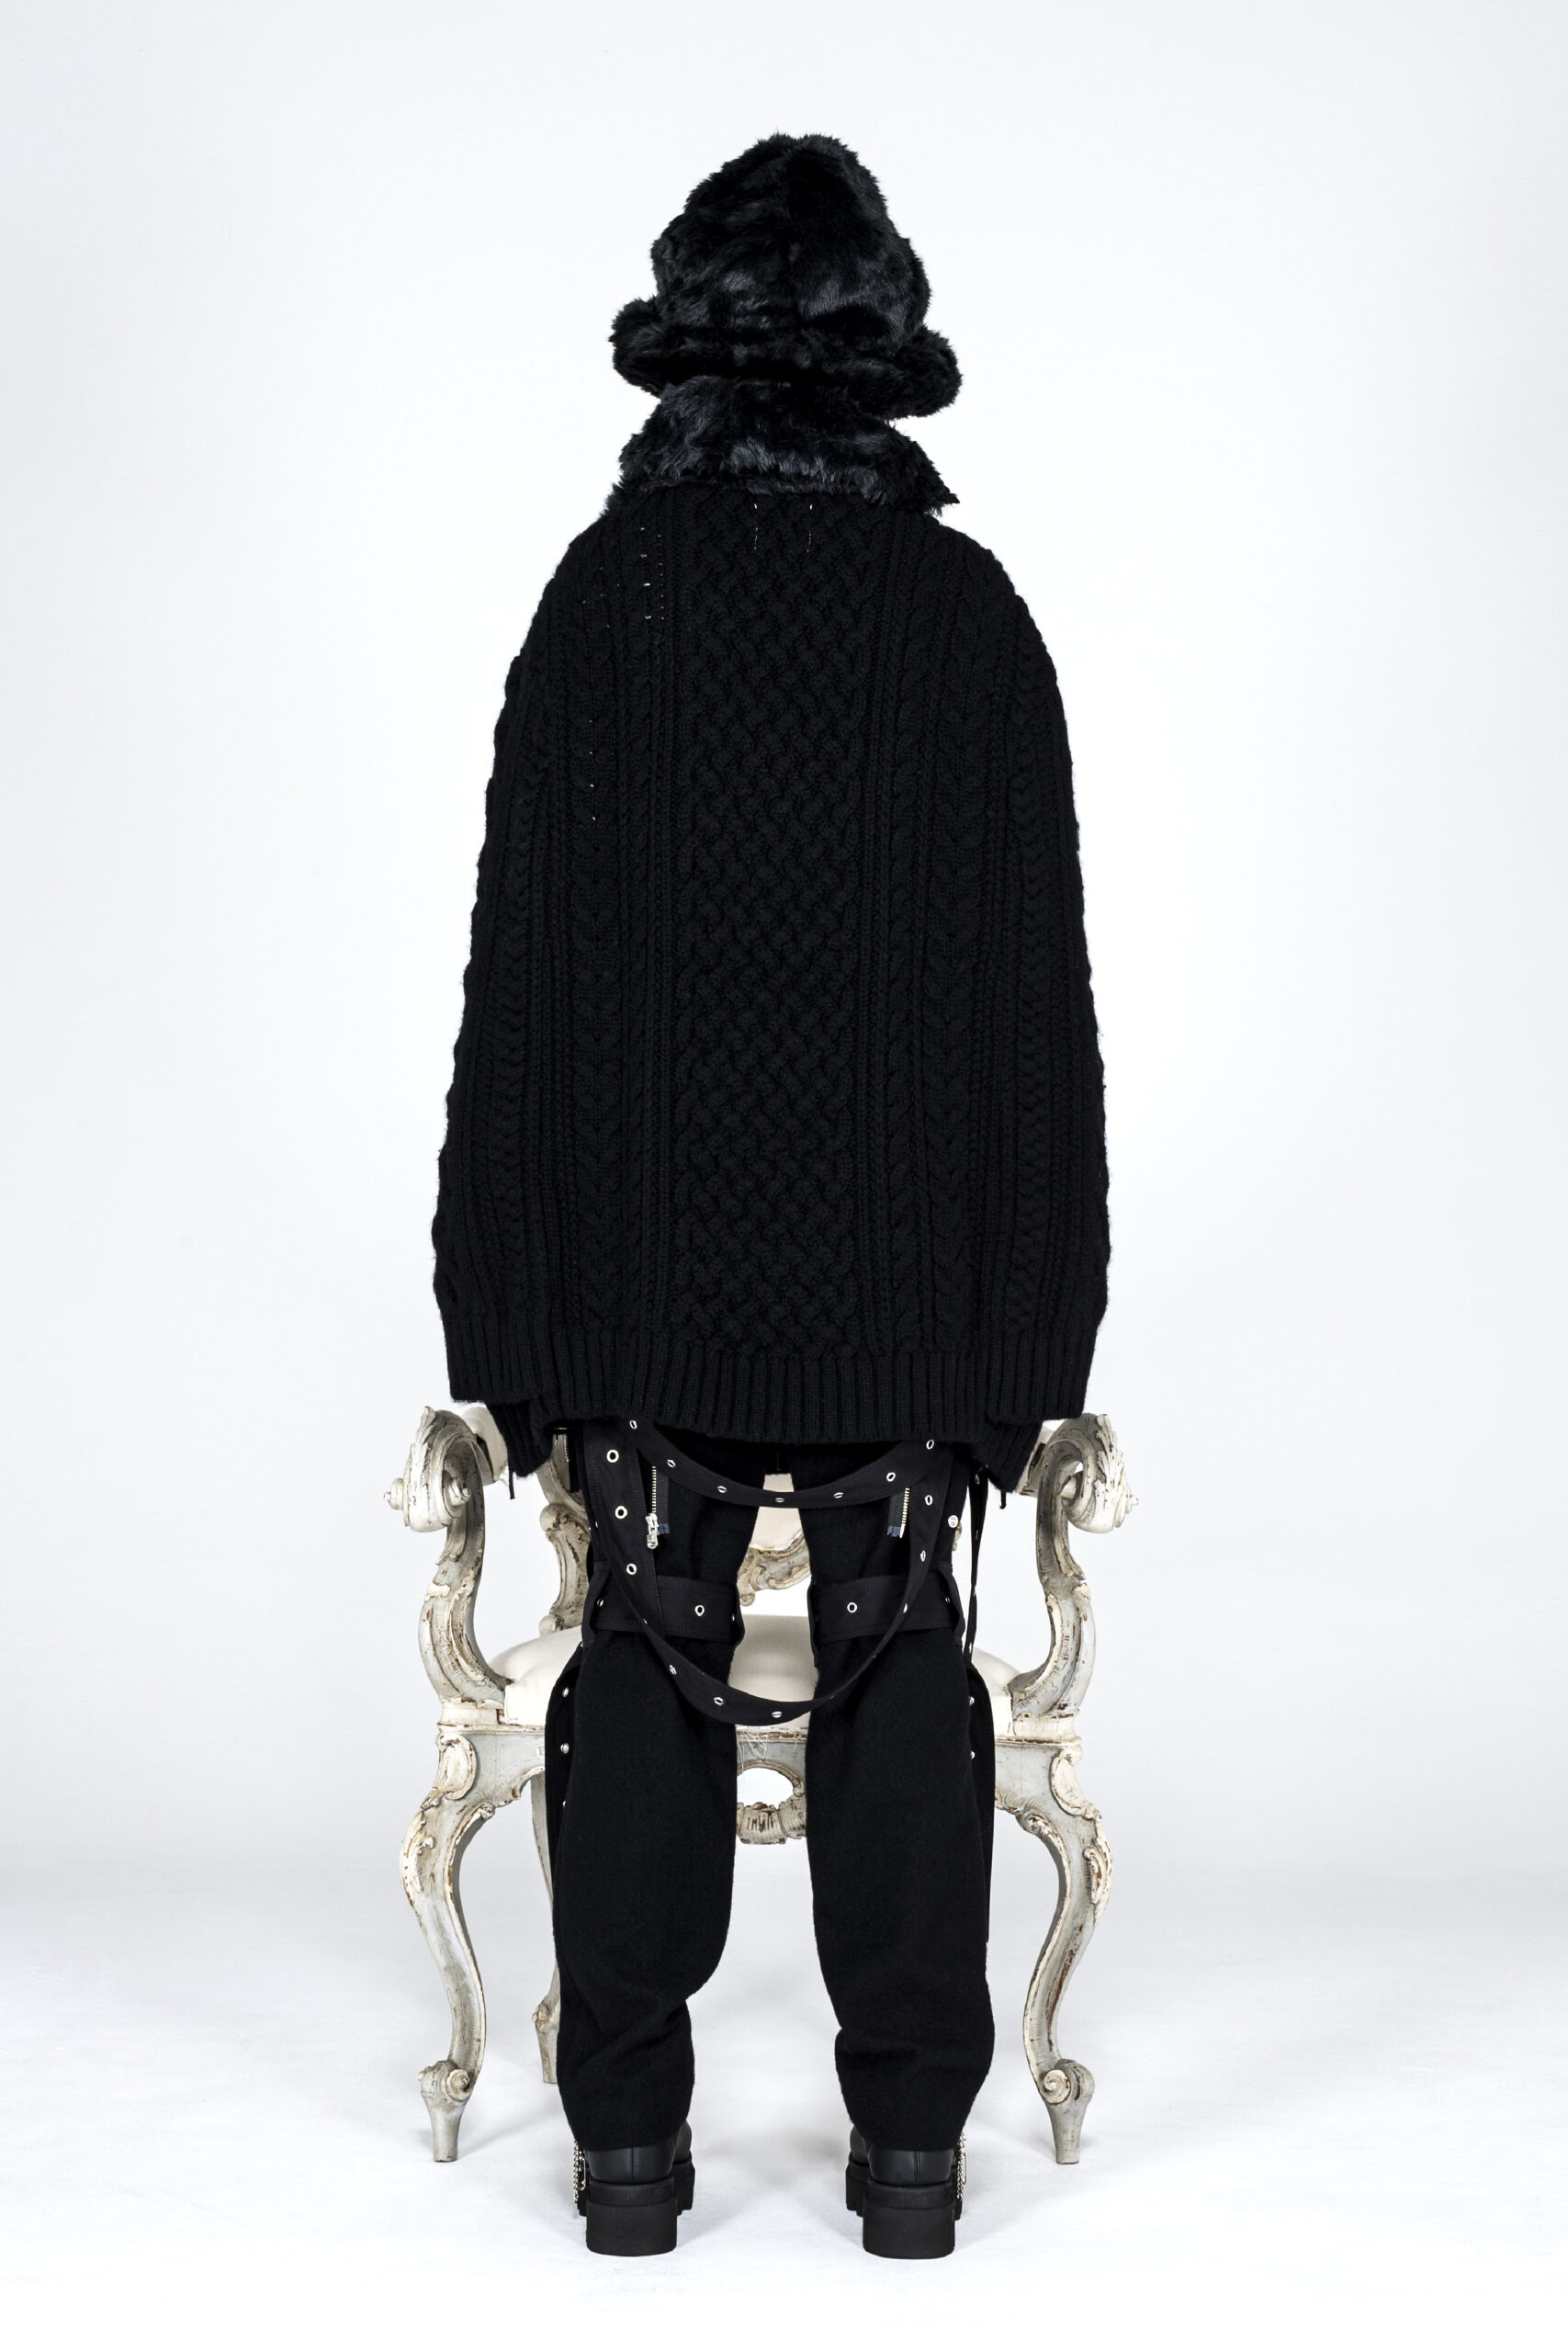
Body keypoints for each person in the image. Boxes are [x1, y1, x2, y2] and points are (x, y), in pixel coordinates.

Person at [433, 131, 1109, 2258]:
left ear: (689, 338)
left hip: (642, 1273)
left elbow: (521, 981)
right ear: (879, 340)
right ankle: (909, 2159)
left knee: (640, 1636)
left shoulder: (602, 597)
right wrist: (1031, 1332)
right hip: (905, 1282)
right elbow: (1033, 1015)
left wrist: (502, 1312)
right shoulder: (966, 621)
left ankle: (626, 2159)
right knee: (908, 1646)